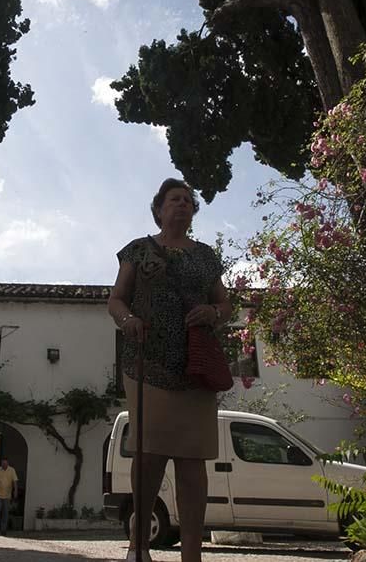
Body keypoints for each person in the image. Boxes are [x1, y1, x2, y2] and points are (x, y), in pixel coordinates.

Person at [108, 178, 233, 562]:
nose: (182, 205)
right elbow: (115, 299)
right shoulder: (139, 249)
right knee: (149, 456)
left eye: (188, 201)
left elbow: (225, 305)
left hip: (195, 368)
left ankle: (191, 554)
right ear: (159, 208)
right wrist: (127, 319)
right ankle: (138, 546)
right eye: (174, 199)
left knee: (193, 461)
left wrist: (213, 312)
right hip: (148, 364)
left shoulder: (207, 256)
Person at [0, 458, 19, 535]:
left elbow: (15, 481)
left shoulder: (12, 470)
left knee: (5, 512)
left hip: (7, 495)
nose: (4, 465)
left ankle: (3, 528)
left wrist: (15, 491)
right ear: (1, 464)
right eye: (3, 464)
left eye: (5, 464)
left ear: (8, 464)